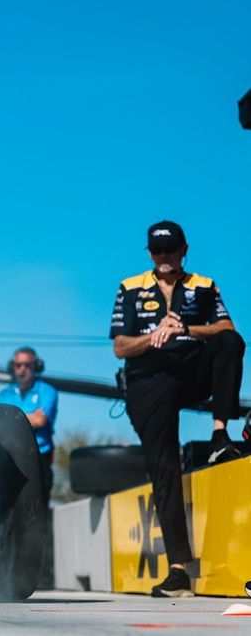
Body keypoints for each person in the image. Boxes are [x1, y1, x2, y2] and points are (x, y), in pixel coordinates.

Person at [110, 220, 243, 598]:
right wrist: (153, 336)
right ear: (150, 253)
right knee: (164, 464)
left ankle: (220, 434)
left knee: (231, 342)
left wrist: (185, 329)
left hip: (189, 370)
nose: (164, 256)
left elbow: (226, 327)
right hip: (148, 379)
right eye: (158, 250)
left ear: (184, 250)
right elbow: (120, 347)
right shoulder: (131, 287)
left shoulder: (204, 285)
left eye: (171, 249)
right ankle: (178, 570)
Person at [0, 347, 58, 508]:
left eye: (27, 365)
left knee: (38, 509)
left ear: (36, 366)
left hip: (39, 459)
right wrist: (30, 416)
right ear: (13, 367)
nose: (22, 369)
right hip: (12, 459)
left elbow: (41, 420)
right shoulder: (4, 394)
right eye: (18, 365)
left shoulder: (47, 391)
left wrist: (12, 419)